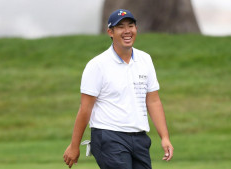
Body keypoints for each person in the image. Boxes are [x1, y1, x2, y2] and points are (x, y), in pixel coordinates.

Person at [63, 9, 173, 169]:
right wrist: (74, 145)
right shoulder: (97, 65)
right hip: (109, 137)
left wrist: (165, 137)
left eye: (131, 26)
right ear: (110, 32)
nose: (127, 31)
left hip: (139, 137)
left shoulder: (145, 60)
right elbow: (85, 108)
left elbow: (153, 101)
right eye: (120, 27)